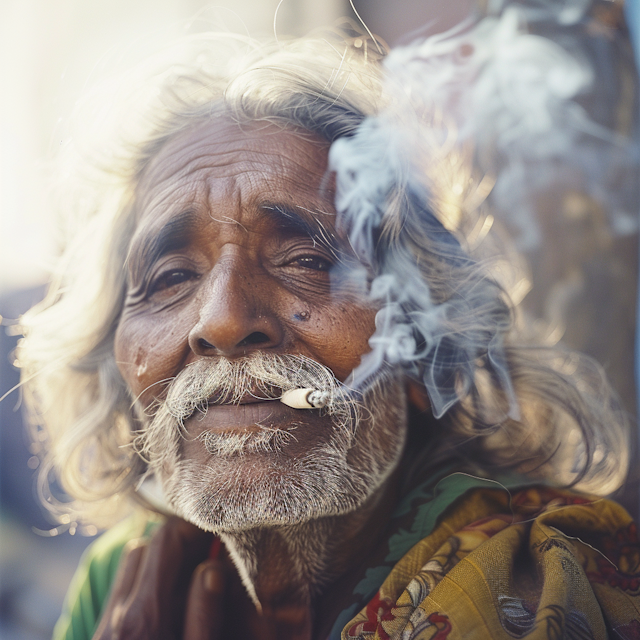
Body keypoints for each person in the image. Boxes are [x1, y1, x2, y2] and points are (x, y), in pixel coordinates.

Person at [17, 19, 640, 640]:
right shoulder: (124, 580)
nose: (224, 320)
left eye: (309, 261)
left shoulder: (538, 584)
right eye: (172, 276)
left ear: (427, 345)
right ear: (118, 362)